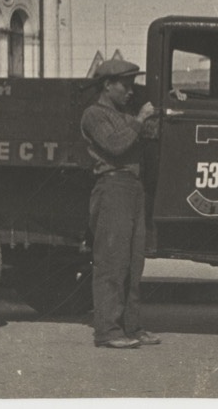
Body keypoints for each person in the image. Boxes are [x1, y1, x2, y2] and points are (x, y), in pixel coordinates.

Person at [80, 59, 161, 349]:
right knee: (112, 262)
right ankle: (107, 331)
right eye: (124, 85)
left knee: (133, 263)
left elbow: (150, 135)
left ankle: (131, 327)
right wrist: (140, 120)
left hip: (133, 188)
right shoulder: (94, 114)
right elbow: (116, 145)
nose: (130, 91)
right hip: (113, 186)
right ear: (107, 85)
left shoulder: (124, 114)